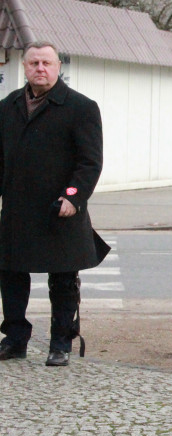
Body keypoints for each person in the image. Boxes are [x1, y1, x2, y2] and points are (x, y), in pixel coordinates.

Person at [0, 41, 107, 367]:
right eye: (34, 63)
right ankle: (15, 339)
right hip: (17, 210)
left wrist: (74, 197)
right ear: (25, 67)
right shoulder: (8, 106)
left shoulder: (80, 107)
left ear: (58, 67)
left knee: (62, 280)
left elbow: (90, 162)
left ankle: (61, 342)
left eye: (46, 63)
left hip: (60, 211)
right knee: (11, 275)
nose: (40, 69)